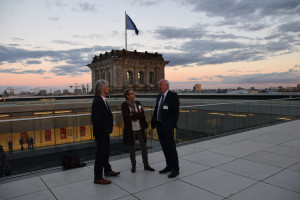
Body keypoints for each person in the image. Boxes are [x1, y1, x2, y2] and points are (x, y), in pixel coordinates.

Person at [91, 79, 120, 184]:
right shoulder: (98, 101)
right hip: (101, 133)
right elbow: (96, 119)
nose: (109, 88)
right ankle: (97, 177)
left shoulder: (102, 99)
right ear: (102, 88)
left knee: (105, 152)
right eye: (107, 87)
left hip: (104, 132)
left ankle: (107, 170)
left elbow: (103, 116)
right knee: (100, 154)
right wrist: (104, 130)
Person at [151, 79, 180, 178]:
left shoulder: (173, 96)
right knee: (164, 147)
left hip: (168, 127)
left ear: (167, 85)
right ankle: (169, 166)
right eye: (158, 85)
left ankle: (176, 169)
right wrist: (153, 122)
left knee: (171, 148)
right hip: (159, 126)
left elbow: (175, 113)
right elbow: (156, 110)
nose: (159, 86)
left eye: (160, 85)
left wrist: (171, 125)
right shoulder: (159, 96)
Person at [121, 89, 155, 173]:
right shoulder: (124, 105)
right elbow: (127, 117)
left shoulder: (138, 103)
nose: (133, 94)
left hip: (140, 128)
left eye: (133, 93)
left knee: (144, 147)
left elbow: (142, 114)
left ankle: (146, 165)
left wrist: (134, 115)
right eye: (132, 93)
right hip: (131, 130)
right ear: (127, 96)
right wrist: (137, 115)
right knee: (132, 148)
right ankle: (133, 166)